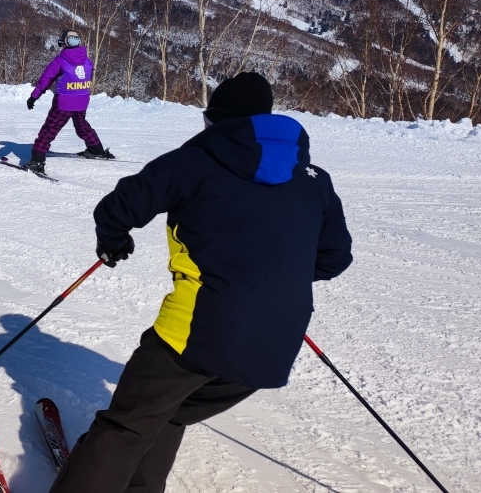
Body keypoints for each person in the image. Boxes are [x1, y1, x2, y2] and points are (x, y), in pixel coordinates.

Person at [49, 71, 353, 493]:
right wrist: (271, 277)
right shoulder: (313, 178)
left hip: (197, 333)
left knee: (126, 427)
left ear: (214, 120)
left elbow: (117, 208)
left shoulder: (195, 162)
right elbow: (335, 257)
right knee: (171, 413)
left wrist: (113, 244)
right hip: (274, 346)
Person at [23, 30, 111, 174]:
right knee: (82, 126)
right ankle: (96, 149)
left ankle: (37, 161)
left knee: (49, 130)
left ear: (63, 43)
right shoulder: (88, 61)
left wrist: (34, 96)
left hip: (63, 102)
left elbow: (46, 79)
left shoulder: (60, 60)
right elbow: (87, 78)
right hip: (82, 100)